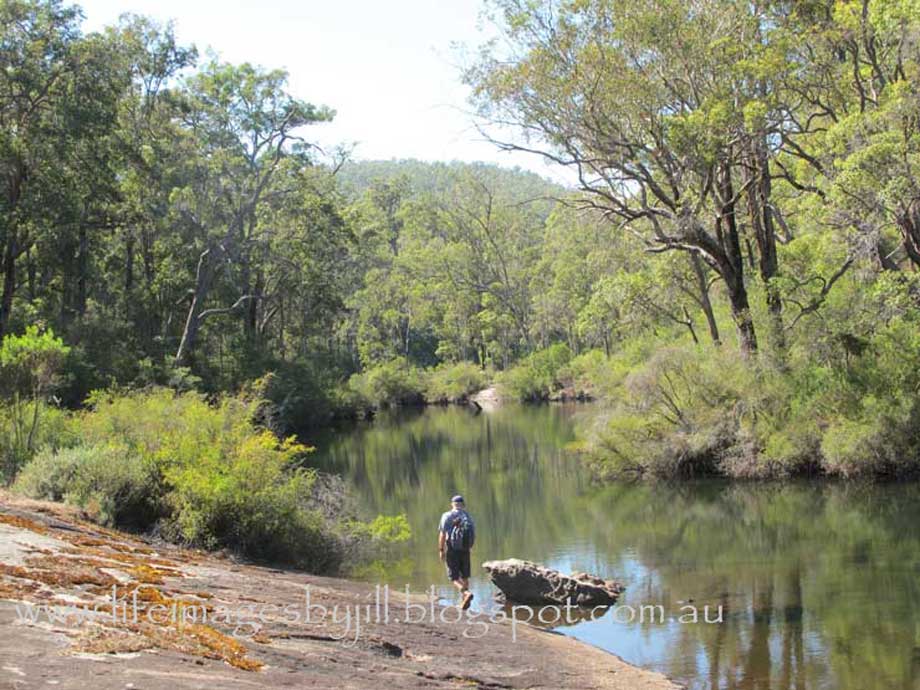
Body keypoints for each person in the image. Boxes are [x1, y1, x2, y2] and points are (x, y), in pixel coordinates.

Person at [438, 494, 475, 610]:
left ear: (452, 504)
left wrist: (441, 549)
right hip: (465, 549)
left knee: (454, 577)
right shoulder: (467, 516)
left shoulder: (447, 516)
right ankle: (464, 602)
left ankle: (465, 593)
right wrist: (470, 546)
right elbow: (473, 534)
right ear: (463, 505)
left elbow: (442, 534)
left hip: (452, 549)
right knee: (465, 576)